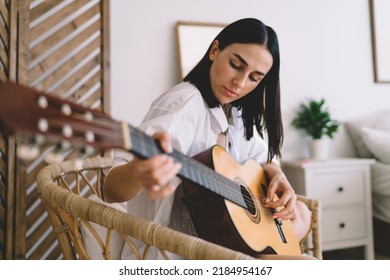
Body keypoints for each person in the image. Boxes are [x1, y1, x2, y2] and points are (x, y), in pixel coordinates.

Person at [103, 18, 314, 260]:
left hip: (223, 243)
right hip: (178, 251)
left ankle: (266, 244)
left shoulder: (235, 109)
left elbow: (263, 155)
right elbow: (111, 190)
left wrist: (277, 174)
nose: (241, 83)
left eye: (254, 78)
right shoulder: (184, 103)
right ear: (215, 50)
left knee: (302, 213)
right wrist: (140, 171)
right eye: (236, 65)